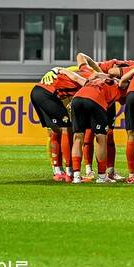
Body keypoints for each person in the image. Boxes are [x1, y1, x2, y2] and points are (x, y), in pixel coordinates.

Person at [31, 53, 100, 181]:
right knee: (66, 128)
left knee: (55, 131)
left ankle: (58, 171)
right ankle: (69, 172)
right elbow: (77, 79)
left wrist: (57, 70)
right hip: (48, 94)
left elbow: (81, 57)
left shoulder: (86, 70)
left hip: (40, 91)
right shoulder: (90, 82)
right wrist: (58, 69)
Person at [70, 71, 133, 183]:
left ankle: (76, 177)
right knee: (101, 137)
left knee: (78, 137)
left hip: (77, 99)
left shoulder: (97, 80)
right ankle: (102, 177)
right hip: (95, 99)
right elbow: (123, 84)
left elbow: (78, 78)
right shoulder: (122, 84)